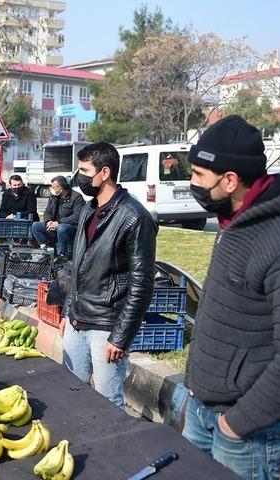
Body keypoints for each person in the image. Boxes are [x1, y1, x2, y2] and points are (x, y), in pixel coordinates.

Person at [181, 116, 280, 480]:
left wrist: (238, 423)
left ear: (230, 180)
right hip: (202, 410)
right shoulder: (236, 219)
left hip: (246, 433)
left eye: (200, 175)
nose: (192, 184)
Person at [60, 142, 157, 409]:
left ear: (105, 172)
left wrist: (121, 336)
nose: (78, 177)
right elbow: (77, 265)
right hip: (77, 321)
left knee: (107, 403)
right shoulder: (87, 211)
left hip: (106, 327)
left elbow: (142, 284)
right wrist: (69, 310)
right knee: (72, 395)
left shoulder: (134, 217)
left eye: (84, 170)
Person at [30, 176, 84, 258]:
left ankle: (62, 254)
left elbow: (77, 216)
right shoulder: (53, 196)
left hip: (69, 227)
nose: (51, 189)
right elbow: (47, 211)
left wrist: (59, 223)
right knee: (36, 226)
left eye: (53, 187)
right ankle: (46, 249)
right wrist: (48, 221)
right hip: (53, 225)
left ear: (61, 188)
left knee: (61, 228)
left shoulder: (76, 197)